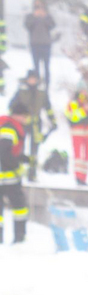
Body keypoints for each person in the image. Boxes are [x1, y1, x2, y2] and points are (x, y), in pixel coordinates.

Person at [10, 68, 56, 181]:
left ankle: (32, 173)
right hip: (22, 123)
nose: (32, 81)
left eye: (34, 79)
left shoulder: (41, 93)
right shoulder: (21, 91)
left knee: (34, 150)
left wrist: (53, 121)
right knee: (20, 147)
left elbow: (48, 107)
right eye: (30, 79)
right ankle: (19, 171)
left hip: (36, 124)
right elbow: (12, 106)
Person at [0, 98, 30, 245]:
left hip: (7, 176)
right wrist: (17, 167)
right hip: (7, 177)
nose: (26, 120)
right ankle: (19, 238)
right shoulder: (9, 128)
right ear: (18, 115)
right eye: (25, 116)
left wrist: (23, 158)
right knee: (19, 207)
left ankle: (16, 239)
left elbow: (10, 150)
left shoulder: (9, 126)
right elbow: (3, 153)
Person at [65, 87, 88, 185]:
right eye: (82, 91)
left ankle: (84, 178)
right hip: (77, 131)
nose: (84, 93)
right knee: (78, 156)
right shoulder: (73, 103)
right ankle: (78, 177)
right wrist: (84, 111)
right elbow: (72, 117)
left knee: (87, 156)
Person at [24, 0, 56, 89]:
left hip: (46, 45)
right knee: (36, 66)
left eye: (40, 6)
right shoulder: (30, 16)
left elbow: (52, 25)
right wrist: (34, 17)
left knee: (46, 67)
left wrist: (45, 17)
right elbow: (27, 26)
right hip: (35, 45)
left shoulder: (47, 16)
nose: (38, 8)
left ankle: (47, 85)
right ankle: (37, 85)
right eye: (36, 6)